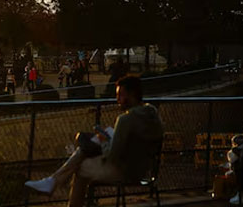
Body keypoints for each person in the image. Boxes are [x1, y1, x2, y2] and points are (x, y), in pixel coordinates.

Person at [25, 75, 164, 207]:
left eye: (120, 95)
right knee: (86, 151)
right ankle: (52, 182)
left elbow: (112, 156)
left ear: (132, 94)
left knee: (81, 167)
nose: (117, 99)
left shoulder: (125, 120)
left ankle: (55, 184)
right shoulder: (152, 114)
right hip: (143, 170)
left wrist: (104, 140)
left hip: (124, 172)